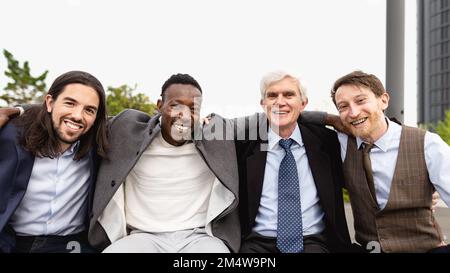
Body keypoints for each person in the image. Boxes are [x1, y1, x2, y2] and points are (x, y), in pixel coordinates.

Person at [88, 73, 240, 253]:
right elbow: (84, 123)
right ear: (159, 106)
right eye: (175, 106)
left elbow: (263, 123)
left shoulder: (215, 138)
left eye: (193, 108)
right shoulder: (127, 131)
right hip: (142, 236)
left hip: (199, 238)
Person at [328, 70, 450, 253]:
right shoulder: (342, 144)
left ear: (383, 100)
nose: (353, 112)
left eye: (361, 101)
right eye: (343, 107)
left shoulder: (426, 143)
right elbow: (293, 118)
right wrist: (329, 119)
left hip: (425, 249)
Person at [235, 71, 352, 253]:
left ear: (303, 103)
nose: (280, 102)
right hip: (257, 243)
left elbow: (374, 131)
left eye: (289, 95)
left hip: (314, 242)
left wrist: (329, 118)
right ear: (263, 104)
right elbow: (215, 128)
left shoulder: (328, 141)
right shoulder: (244, 145)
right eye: (272, 95)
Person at [0, 71, 109, 253]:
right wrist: (18, 110)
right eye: (70, 103)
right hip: (13, 242)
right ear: (50, 103)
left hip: (70, 245)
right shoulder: (11, 135)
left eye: (89, 110)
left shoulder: (99, 146)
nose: (77, 116)